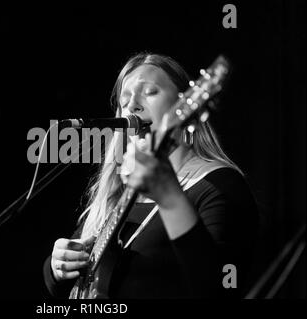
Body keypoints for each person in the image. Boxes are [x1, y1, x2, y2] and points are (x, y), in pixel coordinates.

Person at [43, 53, 259, 298]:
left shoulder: (219, 186)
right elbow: (63, 280)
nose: (132, 105)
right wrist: (56, 268)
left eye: (149, 92)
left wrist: (169, 197)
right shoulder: (116, 194)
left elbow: (221, 289)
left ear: (184, 105)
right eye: (125, 101)